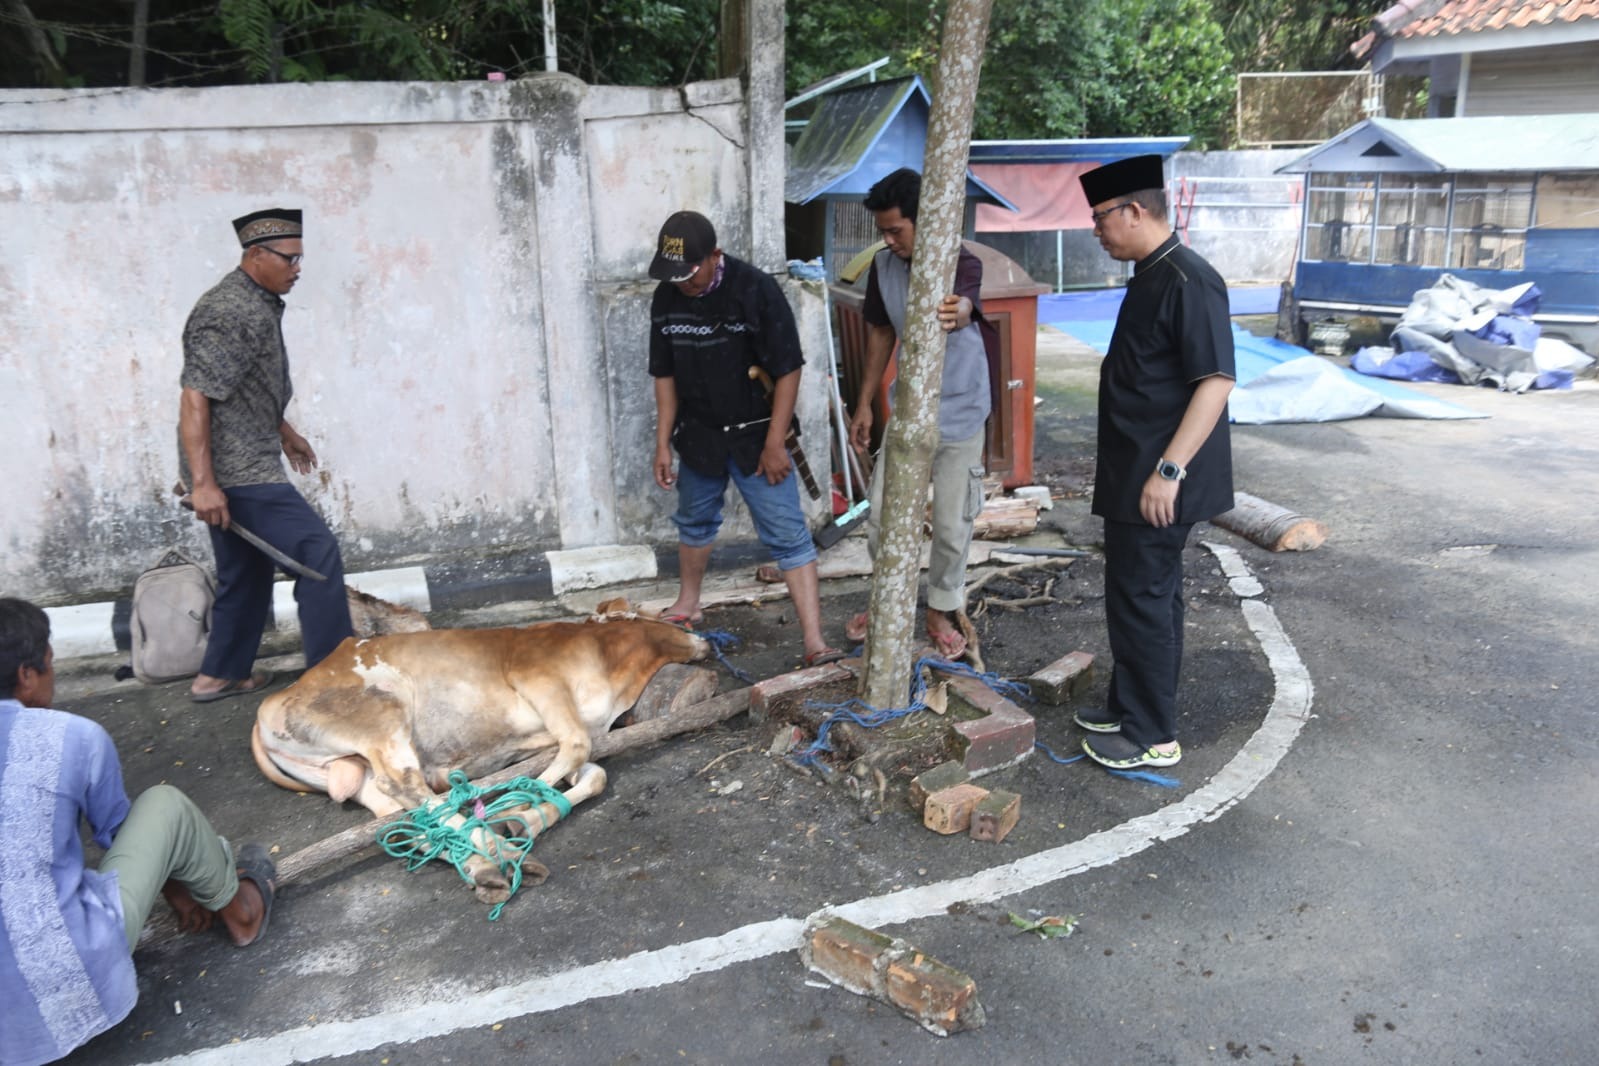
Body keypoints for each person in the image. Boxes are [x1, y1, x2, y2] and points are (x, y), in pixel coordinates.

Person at [0, 598, 277, 1066]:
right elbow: (117, 832)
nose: (53, 675)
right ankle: (242, 912)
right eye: (49, 665)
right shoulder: (74, 736)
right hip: (63, 975)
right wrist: (179, 891)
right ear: (27, 676)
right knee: (163, 806)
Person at [1073, 154, 1236, 770]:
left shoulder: (1190, 280)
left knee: (1143, 596)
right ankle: (1130, 702)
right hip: (1134, 473)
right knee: (1141, 596)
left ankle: (1151, 736)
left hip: (1159, 478)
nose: (1095, 229)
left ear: (1135, 211)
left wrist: (1169, 471)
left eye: (1100, 217)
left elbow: (1216, 381)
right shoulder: (1151, 272)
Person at [647, 211, 845, 668]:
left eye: (690, 273)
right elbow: (665, 374)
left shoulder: (756, 290)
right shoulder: (667, 297)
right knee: (694, 520)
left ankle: (815, 641)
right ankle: (688, 602)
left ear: (715, 256)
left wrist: (776, 441)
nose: (683, 285)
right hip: (698, 435)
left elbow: (788, 369)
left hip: (758, 437)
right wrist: (662, 442)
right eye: (674, 276)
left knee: (788, 535)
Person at [178, 207, 353, 703]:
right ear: (256, 255)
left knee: (247, 570)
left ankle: (221, 675)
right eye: (289, 259)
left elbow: (244, 386)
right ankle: (330, 684)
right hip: (236, 471)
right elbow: (196, 396)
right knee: (316, 555)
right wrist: (204, 483)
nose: (298, 269)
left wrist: (285, 432)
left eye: (300, 259)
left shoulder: (256, 302)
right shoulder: (229, 311)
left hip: (246, 457)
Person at [847, 167, 997, 660]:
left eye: (897, 230)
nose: (889, 242)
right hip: (910, 411)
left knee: (954, 522)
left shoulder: (960, 262)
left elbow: (966, 304)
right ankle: (888, 597)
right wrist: (867, 402)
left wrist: (962, 311)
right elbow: (880, 334)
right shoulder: (883, 267)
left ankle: (941, 607)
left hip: (961, 408)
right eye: (883, 232)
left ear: (925, 222)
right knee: (884, 515)